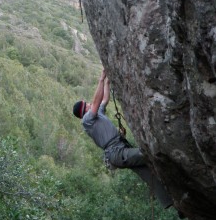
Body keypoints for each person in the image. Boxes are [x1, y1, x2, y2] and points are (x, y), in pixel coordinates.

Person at [72, 69, 173, 208]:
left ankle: (170, 202)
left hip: (120, 149)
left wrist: (107, 82)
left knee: (147, 170)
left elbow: (104, 99)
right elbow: (96, 102)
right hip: (116, 153)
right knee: (149, 154)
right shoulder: (87, 120)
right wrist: (101, 80)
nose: (90, 103)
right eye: (87, 104)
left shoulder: (97, 114)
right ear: (84, 109)